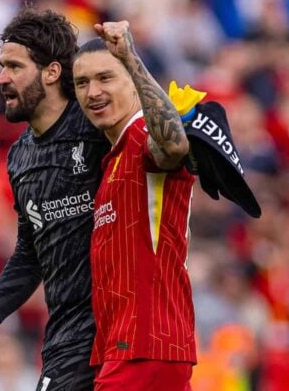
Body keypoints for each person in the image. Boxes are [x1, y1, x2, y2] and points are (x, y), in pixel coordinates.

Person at [0, 6, 110, 390]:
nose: (1, 78)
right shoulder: (20, 156)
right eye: (2, 66)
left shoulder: (98, 125)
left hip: (120, 330)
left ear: (52, 72)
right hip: (65, 337)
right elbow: (30, 253)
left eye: (15, 67)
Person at [72, 22, 200, 390]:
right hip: (129, 348)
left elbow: (174, 146)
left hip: (146, 347)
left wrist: (129, 55)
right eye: (82, 83)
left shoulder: (145, 134)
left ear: (132, 81)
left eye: (105, 78)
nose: (93, 92)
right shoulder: (110, 159)